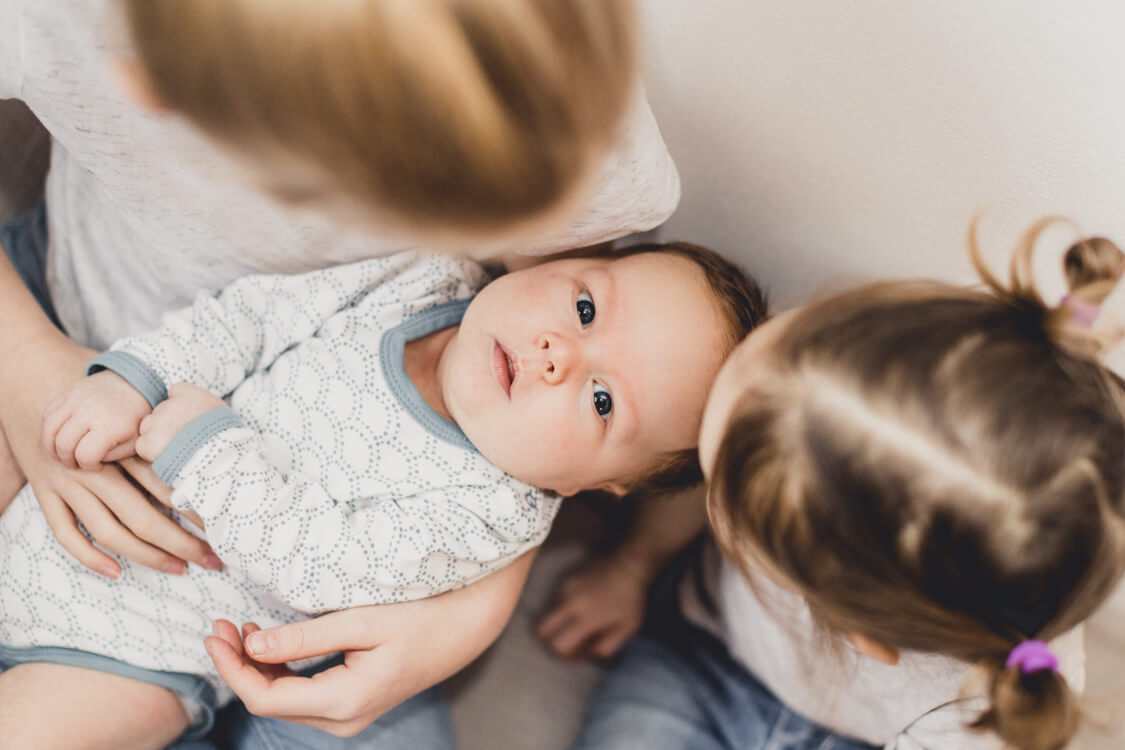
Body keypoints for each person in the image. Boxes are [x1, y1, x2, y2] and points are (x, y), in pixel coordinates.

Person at [0, 0, 679, 743]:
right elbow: (249, 317)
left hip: (163, 630)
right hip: (61, 332)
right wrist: (33, 363)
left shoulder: (547, 85)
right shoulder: (64, 22)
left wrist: (465, 615)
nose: (557, 354)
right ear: (152, 88)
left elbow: (350, 552)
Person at [0, 241, 767, 748]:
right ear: (561, 259)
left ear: (594, 486)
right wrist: (134, 379)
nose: (556, 355)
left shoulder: (489, 514)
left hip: (135, 649)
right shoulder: (427, 279)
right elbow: (250, 318)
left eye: (602, 402)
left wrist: (208, 451)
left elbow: (317, 570)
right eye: (585, 309)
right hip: (82, 469)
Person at [550, 222, 1125, 750]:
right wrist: (633, 566)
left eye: (710, 472)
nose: (696, 473)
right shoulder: (818, 389)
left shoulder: (992, 710)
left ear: (860, 630)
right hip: (704, 658)